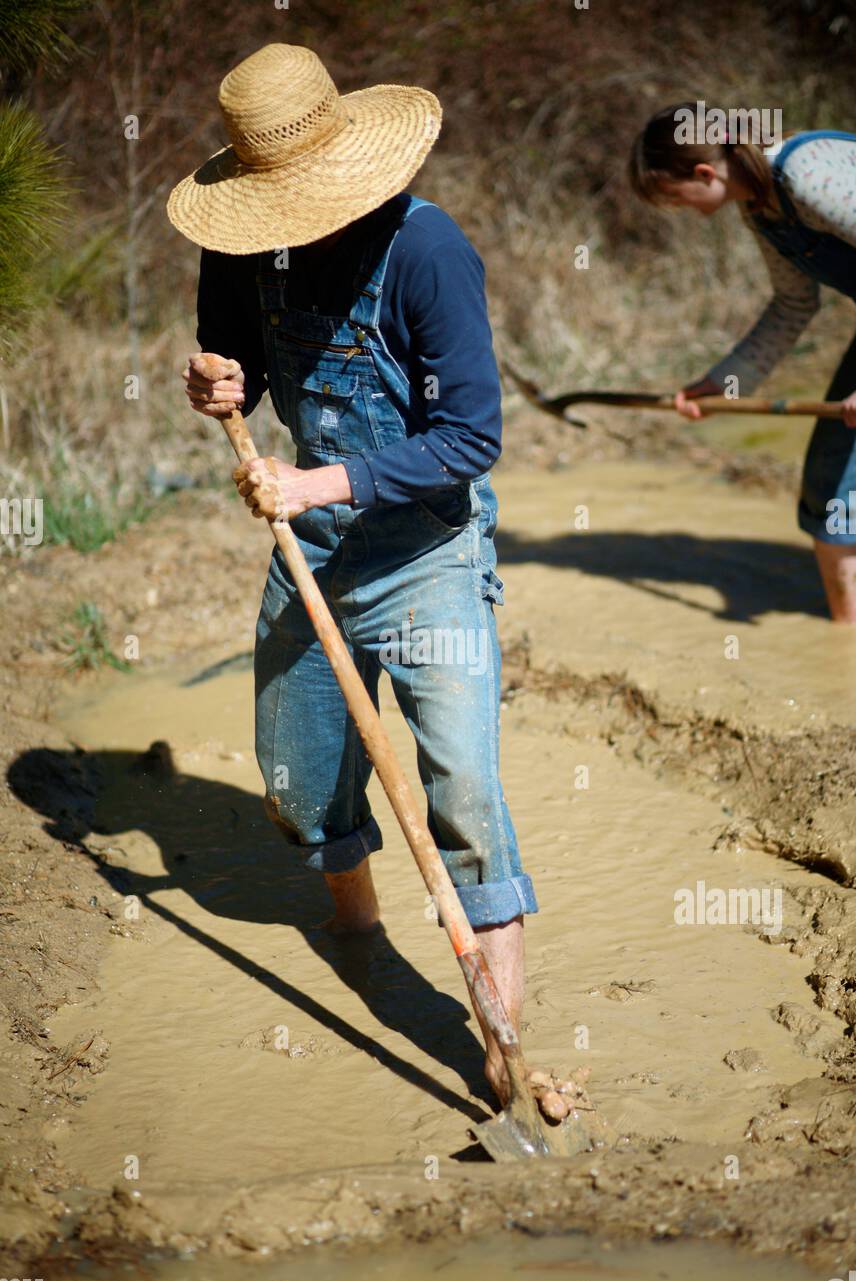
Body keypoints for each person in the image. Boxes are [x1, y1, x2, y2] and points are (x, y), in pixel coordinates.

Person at [167, 43, 576, 1121]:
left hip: (425, 547)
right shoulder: (242, 239)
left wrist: (322, 479)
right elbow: (236, 365)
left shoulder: (425, 250)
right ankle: (357, 939)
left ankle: (500, 1045)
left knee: (463, 790)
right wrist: (216, 382)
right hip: (313, 548)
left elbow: (469, 434)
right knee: (301, 781)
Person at [630, 104, 856, 624]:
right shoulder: (762, 207)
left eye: (675, 198)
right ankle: (842, 648)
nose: (683, 209)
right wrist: (720, 385)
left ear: (704, 173)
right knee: (836, 490)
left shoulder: (807, 176)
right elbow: (793, 306)